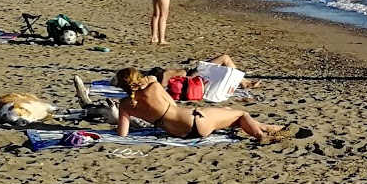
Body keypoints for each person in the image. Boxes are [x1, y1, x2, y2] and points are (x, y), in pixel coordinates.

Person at [112, 67, 283, 140]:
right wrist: (151, 81)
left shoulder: (125, 104)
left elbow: (122, 133)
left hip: (180, 134)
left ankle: (270, 128)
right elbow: (175, 106)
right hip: (195, 121)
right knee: (240, 114)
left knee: (227, 112)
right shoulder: (154, 87)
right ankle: (261, 135)